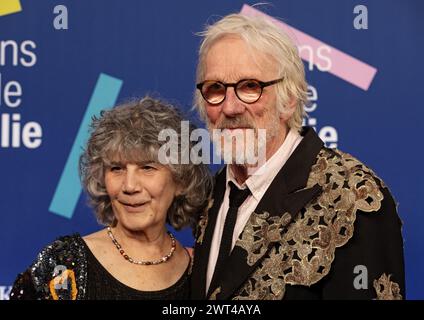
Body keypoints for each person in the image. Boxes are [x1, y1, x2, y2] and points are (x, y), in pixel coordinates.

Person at [190, 13, 405, 300]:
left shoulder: (353, 196)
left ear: (289, 99)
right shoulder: (208, 196)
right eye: (215, 88)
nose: (230, 107)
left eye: (250, 87)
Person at [10, 97, 212, 300]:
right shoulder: (63, 267)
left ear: (181, 180)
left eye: (147, 168)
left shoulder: (201, 270)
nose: (129, 186)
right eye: (117, 168)